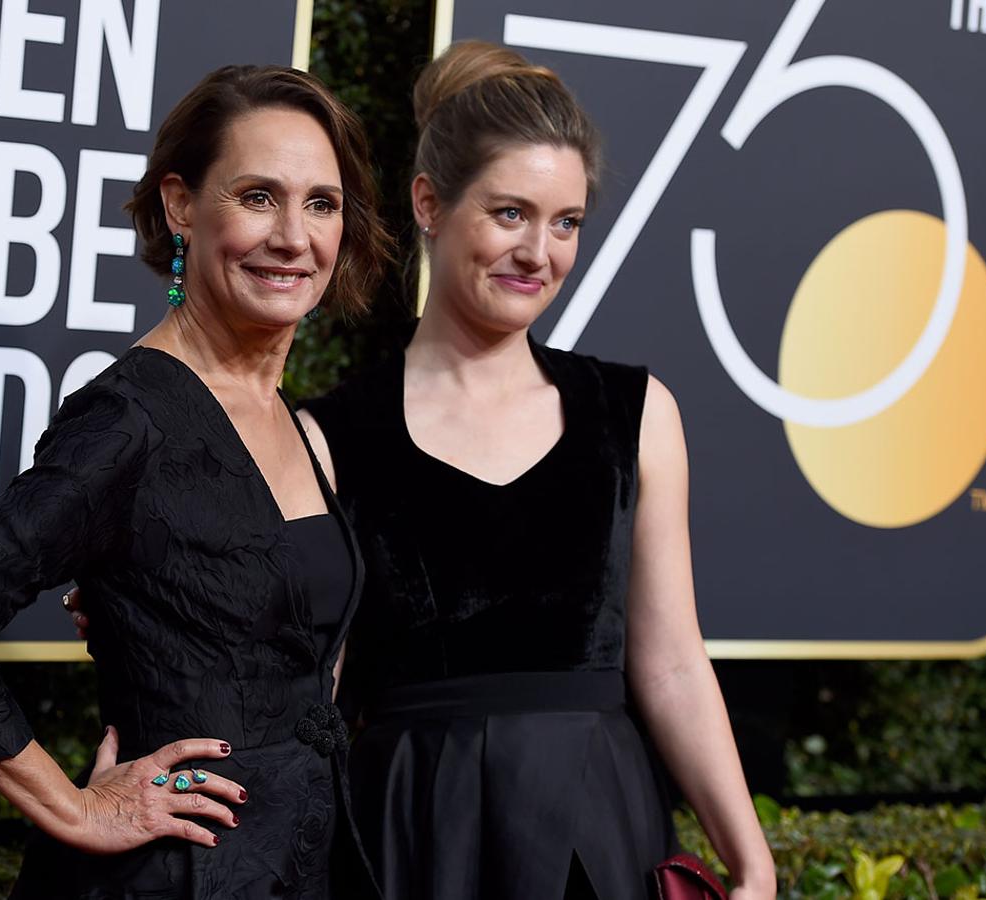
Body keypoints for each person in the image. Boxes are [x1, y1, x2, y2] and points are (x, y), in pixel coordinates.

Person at [0, 63, 391, 900]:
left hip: (308, 858)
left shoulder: (301, 428)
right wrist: (75, 809)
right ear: (181, 206)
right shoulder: (128, 421)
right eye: (258, 196)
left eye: (321, 203)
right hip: (177, 873)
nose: (295, 236)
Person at [295, 42, 778, 899]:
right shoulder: (330, 437)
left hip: (602, 821)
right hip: (412, 828)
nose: (539, 253)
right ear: (430, 202)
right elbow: (307, 697)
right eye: (511, 213)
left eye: (565, 222)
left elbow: (669, 664)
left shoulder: (634, 415)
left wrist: (752, 858)